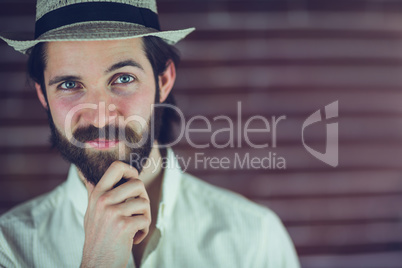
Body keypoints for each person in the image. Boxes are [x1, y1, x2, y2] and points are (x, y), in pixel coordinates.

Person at [0, 0, 300, 267]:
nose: (101, 114)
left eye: (123, 78)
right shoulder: (8, 248)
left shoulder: (255, 237)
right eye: (69, 85)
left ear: (164, 81)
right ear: (43, 96)